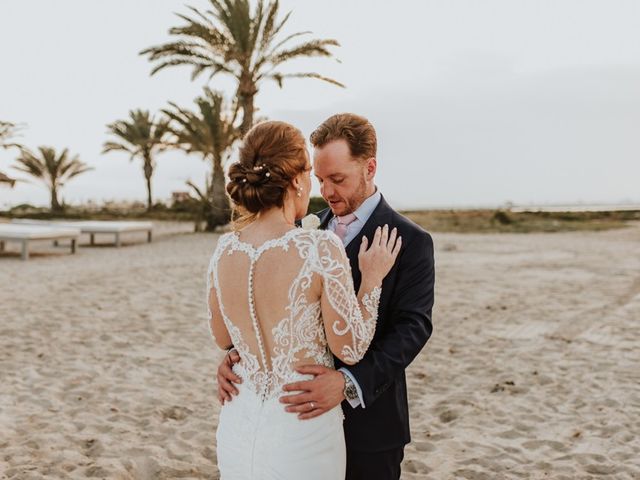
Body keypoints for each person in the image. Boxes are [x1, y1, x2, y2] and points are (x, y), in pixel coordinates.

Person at [217, 113, 435, 480]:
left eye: (338, 179)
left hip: (371, 425)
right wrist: (239, 357)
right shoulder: (300, 230)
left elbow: (413, 329)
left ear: (370, 168)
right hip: (294, 427)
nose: (328, 192)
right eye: (319, 179)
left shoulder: (411, 239)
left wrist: (348, 383)